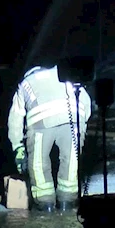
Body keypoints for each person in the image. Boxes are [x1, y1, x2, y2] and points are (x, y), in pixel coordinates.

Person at [7, 64, 92, 212]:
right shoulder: (63, 72)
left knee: (39, 164)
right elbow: (85, 100)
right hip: (73, 117)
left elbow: (15, 118)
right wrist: (82, 122)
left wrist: (17, 146)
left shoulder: (26, 83)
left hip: (41, 122)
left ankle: (45, 203)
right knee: (71, 160)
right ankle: (67, 202)